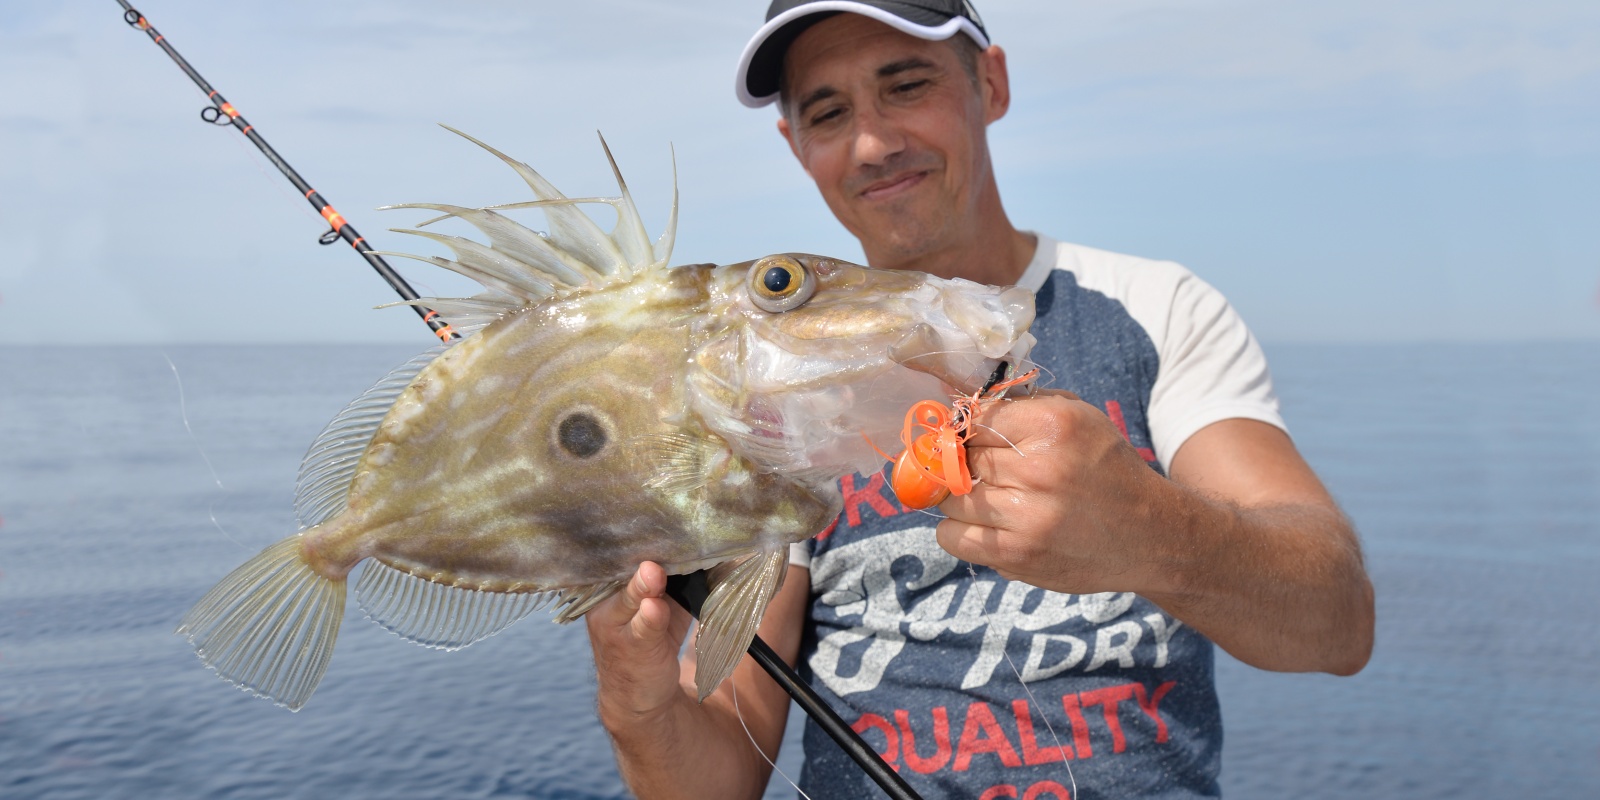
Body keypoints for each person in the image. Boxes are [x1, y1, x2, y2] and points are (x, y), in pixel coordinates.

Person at [586, 1, 1375, 797]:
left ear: (990, 83)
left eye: (907, 85)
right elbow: (713, 781)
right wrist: (636, 695)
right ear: (797, 147)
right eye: (829, 112)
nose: (874, 142)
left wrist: (1150, 531)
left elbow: (1337, 625)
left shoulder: (1157, 306)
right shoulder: (772, 383)